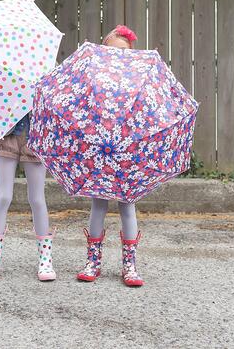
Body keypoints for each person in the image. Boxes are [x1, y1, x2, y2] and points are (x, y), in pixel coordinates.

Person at [76, 25, 144, 287]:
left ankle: (130, 264)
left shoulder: (137, 81)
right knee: (99, 204)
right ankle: (93, 260)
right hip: (100, 150)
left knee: (127, 204)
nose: (118, 57)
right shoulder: (95, 79)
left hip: (127, 151)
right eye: (112, 51)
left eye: (124, 52)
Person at [0, 113, 56, 281]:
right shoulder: (5, 85)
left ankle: (45, 259)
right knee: (3, 196)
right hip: (6, 135)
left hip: (36, 136)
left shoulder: (43, 86)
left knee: (36, 198)